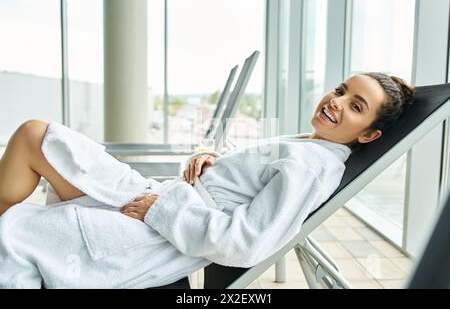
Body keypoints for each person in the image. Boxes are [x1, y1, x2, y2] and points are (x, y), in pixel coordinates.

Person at [0, 72, 414, 288]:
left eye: (355, 105)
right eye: (341, 90)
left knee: (16, 234)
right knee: (38, 136)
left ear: (369, 134)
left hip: (159, 230)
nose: (336, 102)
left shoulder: (313, 166)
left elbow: (248, 243)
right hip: (159, 200)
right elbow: (244, 185)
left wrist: (160, 210)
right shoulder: (311, 145)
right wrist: (210, 159)